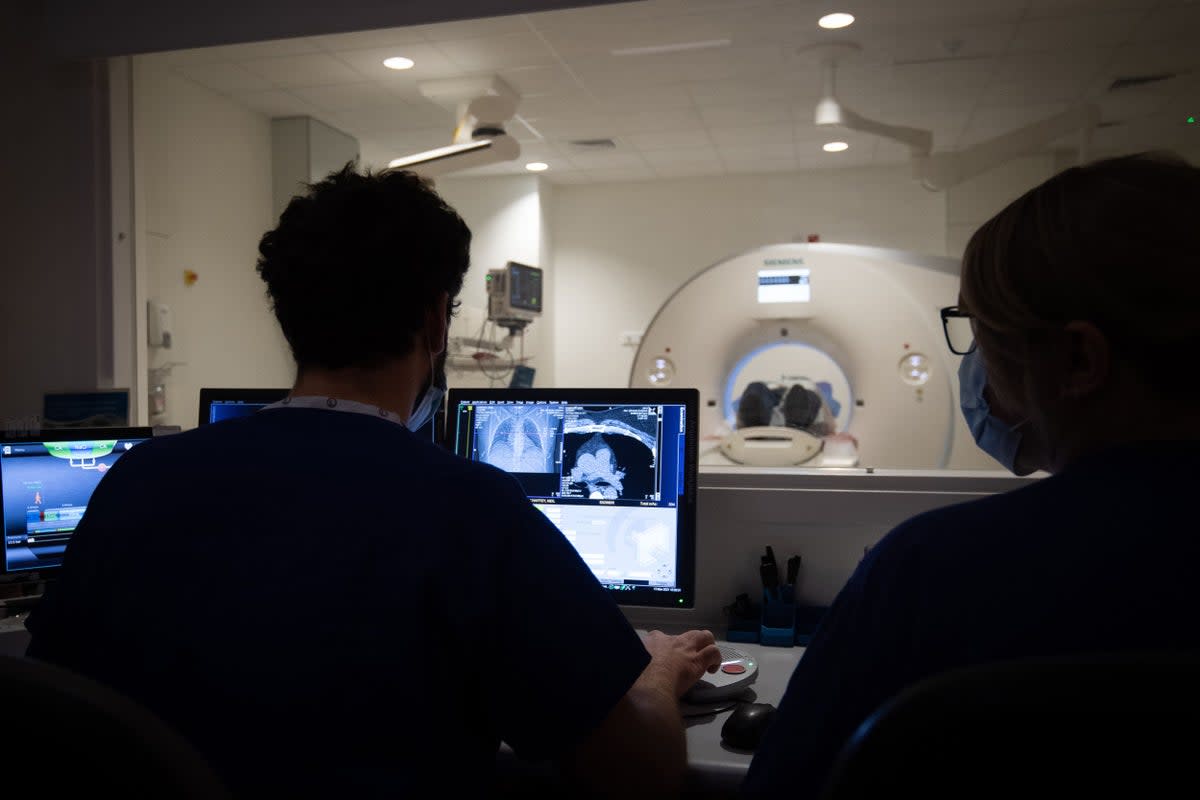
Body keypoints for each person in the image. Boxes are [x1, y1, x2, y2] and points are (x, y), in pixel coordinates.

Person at [25, 164, 721, 798]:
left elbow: (59, 704)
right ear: (434, 321)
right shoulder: (467, 510)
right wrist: (660, 671)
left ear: (288, 317)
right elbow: (640, 772)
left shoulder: (137, 480)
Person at [742, 151, 1200, 799]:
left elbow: (784, 790)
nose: (976, 366)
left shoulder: (932, 570)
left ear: (1078, 359)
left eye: (982, 332)